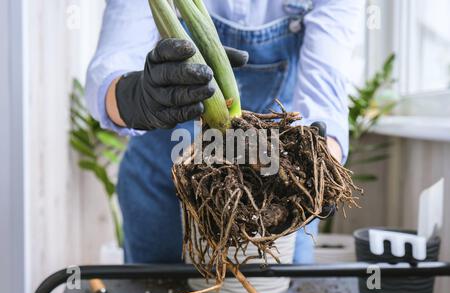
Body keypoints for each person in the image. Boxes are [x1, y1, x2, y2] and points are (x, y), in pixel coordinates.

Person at [86, 0, 363, 264]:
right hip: (163, 180)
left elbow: (325, 89)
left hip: (280, 184)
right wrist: (135, 96)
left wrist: (320, 170)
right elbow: (111, 66)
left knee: (280, 290)